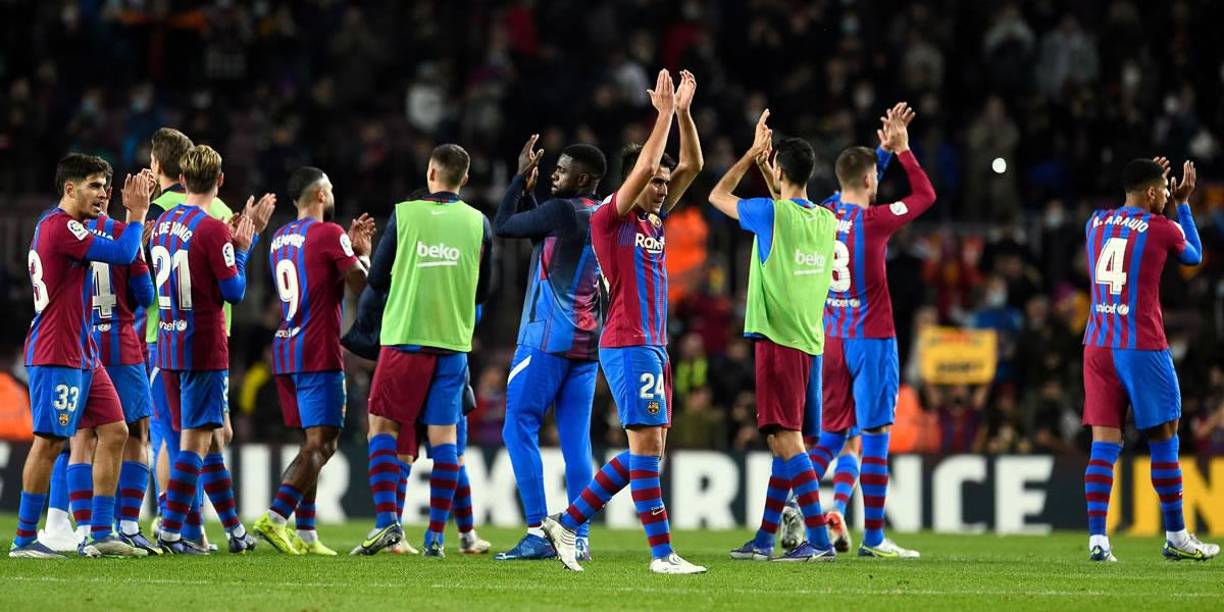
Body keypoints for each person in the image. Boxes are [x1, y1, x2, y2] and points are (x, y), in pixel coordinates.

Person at [542, 69, 707, 575]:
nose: (661, 188)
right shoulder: (608, 220)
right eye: (653, 181)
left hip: (653, 344)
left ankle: (567, 523)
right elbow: (651, 165)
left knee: (648, 452)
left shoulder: (654, 220)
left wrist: (682, 114)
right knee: (644, 446)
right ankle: (661, 555)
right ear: (632, 181)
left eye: (662, 183)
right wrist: (659, 115)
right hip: (626, 342)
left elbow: (694, 164)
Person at [796, 103, 933, 559]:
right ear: (872, 182)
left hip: (830, 340)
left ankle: (799, 503)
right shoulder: (877, 221)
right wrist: (905, 152)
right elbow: (925, 196)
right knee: (874, 435)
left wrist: (881, 151)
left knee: (833, 436)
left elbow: (860, 177)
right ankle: (874, 538)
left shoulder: (822, 212)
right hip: (872, 340)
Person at [710, 110, 839, 561]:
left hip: (779, 341)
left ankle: (820, 541)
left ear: (781, 172)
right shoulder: (823, 220)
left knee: (788, 441)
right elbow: (787, 204)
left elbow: (717, 195)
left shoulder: (769, 214)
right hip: (810, 343)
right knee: (781, 443)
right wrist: (772, 167)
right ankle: (764, 541)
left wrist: (749, 156)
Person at [10, 154, 154, 558]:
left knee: (116, 431)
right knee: (51, 440)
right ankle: (25, 539)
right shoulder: (60, 227)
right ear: (69, 188)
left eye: (105, 186)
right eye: (94, 185)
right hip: (57, 351)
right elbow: (125, 252)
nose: (102, 193)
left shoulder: (68, 227)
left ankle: (100, 532)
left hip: (84, 350)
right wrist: (137, 213)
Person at [353, 144, 494, 557]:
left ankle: (387, 526)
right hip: (453, 343)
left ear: (431, 172)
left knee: (383, 428)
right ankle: (437, 538)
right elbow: (485, 289)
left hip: (405, 338)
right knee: (445, 438)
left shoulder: (405, 213)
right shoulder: (479, 223)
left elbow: (377, 280)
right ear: (463, 179)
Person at [1081, 157, 1218, 562]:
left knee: (1103, 443)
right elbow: (1193, 257)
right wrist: (1184, 204)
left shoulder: (1095, 221)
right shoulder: (1162, 227)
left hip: (1097, 344)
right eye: (1162, 193)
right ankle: (1176, 536)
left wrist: (1146, 184)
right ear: (1156, 193)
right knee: (1164, 436)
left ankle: (1098, 540)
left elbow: (1126, 209)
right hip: (1140, 344)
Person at [151, 144, 274, 554]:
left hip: (166, 343)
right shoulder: (213, 228)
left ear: (182, 179)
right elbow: (234, 292)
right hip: (202, 346)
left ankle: (235, 531)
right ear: (220, 181)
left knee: (209, 439)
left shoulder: (164, 222)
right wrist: (242, 248)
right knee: (196, 442)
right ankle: (171, 530)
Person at [492, 135, 607, 562]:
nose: (554, 172)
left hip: (545, 339)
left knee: (518, 426)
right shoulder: (598, 214)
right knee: (577, 441)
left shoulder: (560, 210)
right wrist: (530, 191)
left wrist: (520, 177)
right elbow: (541, 236)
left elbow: (504, 225)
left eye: (561, 169)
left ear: (582, 178)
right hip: (587, 342)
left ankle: (540, 531)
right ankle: (577, 536)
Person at [252, 166, 375, 556]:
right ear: (320, 194)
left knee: (311, 445)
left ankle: (305, 533)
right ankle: (275, 518)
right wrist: (362, 256)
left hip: (285, 350)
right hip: (317, 350)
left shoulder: (279, 237)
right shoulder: (328, 233)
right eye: (332, 187)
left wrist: (346, 253)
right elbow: (360, 284)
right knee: (323, 445)